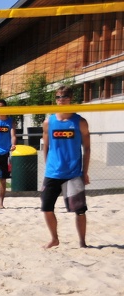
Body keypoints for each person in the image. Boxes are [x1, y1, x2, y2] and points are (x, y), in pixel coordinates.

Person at [41, 85, 91, 249]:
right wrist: (47, 167)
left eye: (64, 97)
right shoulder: (49, 122)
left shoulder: (80, 121)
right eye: (58, 97)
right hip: (53, 172)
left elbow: (87, 148)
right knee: (46, 208)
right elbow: (46, 146)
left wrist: (85, 172)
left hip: (73, 172)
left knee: (80, 211)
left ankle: (83, 242)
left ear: (70, 99)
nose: (61, 100)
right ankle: (54, 238)